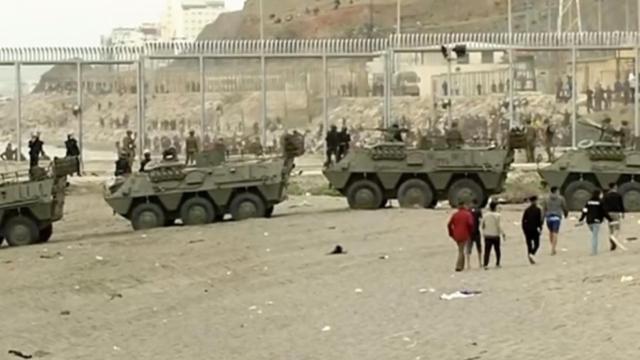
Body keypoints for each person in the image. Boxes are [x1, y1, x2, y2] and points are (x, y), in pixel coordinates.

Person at [579, 190, 613, 255]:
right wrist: (610, 219)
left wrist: (581, 219)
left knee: (593, 234)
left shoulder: (588, 202)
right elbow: (604, 211)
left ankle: (594, 250)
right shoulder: (600, 202)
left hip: (589, 221)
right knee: (595, 236)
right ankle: (594, 251)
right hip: (596, 221)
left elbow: (585, 210)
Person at [448, 200, 475, 272]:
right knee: (461, 250)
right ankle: (458, 266)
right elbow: (471, 224)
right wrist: (470, 231)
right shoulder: (467, 214)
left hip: (456, 234)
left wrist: (451, 233)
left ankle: (462, 265)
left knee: (461, 249)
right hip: (464, 234)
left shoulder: (455, 214)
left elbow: (449, 224)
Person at [541, 186, 569, 256]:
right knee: (555, 233)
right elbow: (564, 207)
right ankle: (553, 248)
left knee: (551, 232)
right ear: (556, 191)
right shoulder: (561, 198)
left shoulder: (546, 199)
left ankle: (552, 246)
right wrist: (566, 214)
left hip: (549, 218)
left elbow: (544, 209)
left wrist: (542, 218)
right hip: (557, 217)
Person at [603, 183, 625, 251]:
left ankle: (612, 244)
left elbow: (604, 205)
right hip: (616, 213)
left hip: (608, 213)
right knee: (617, 228)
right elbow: (621, 204)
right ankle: (614, 238)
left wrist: (604, 214)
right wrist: (623, 212)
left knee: (611, 229)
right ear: (615, 187)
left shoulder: (606, 195)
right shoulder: (618, 195)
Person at [521, 196, 543, 264]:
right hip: (535, 229)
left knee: (529, 244)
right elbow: (539, 221)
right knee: (537, 244)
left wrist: (524, 229)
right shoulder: (538, 210)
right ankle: (532, 254)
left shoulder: (527, 210)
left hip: (527, 229)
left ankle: (530, 255)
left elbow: (523, 220)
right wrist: (540, 228)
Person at [465, 199, 483, 270]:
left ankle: (468, 264)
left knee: (469, 248)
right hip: (476, 231)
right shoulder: (478, 210)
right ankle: (480, 262)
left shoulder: (468, 211)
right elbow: (481, 220)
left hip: (469, 232)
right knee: (479, 247)